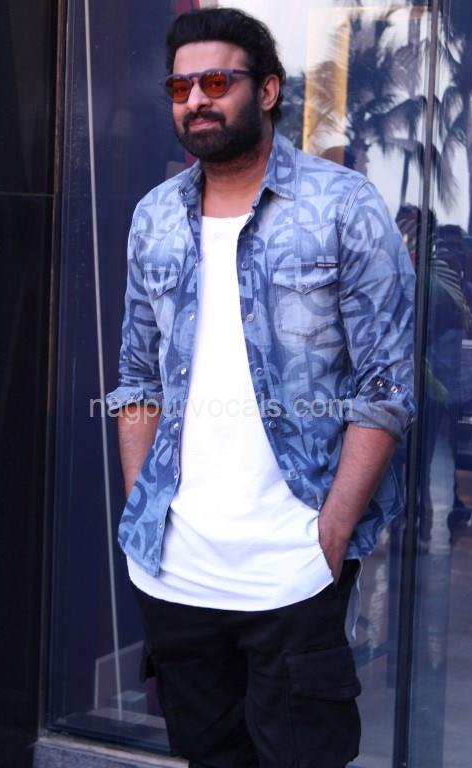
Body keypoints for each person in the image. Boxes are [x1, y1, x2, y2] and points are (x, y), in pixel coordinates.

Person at [106, 8, 416, 767]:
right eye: (180, 87)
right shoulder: (154, 217)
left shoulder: (342, 207)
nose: (195, 101)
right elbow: (136, 377)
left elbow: (385, 385)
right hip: (176, 571)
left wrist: (330, 537)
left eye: (216, 82)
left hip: (293, 569)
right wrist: (144, 504)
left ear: (268, 90)